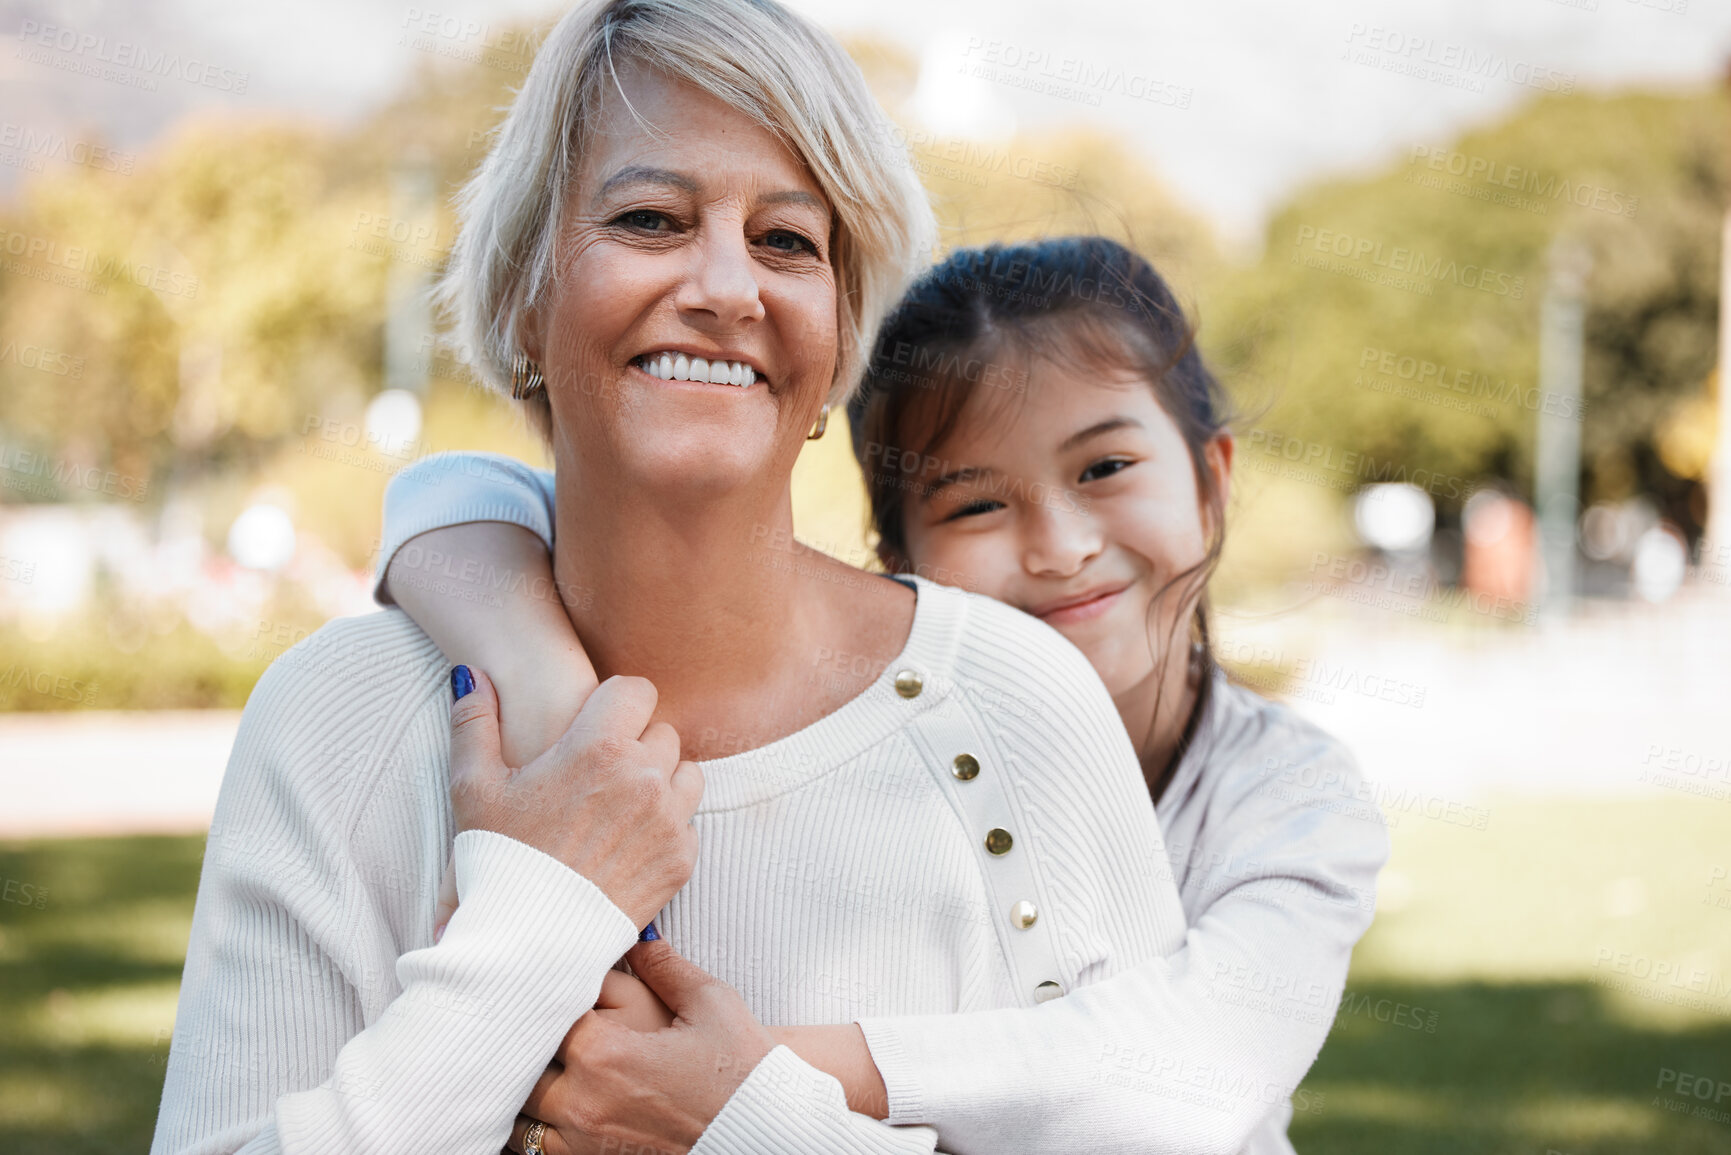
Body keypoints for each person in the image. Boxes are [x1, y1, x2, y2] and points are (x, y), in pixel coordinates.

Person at [150, 3, 1191, 1153]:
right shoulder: (336, 720)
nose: (727, 286)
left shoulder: (1018, 704)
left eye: (788, 240)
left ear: (841, 334)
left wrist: (749, 1130)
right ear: (523, 295)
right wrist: (542, 913)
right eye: (650, 219)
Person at [375, 237, 1390, 1154]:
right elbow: (451, 493)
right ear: (894, 565)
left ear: (1212, 479)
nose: (1062, 547)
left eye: (1108, 467)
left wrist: (740, 1076)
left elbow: (1192, 1077)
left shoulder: (1290, 797)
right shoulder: (897, 735)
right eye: (979, 502)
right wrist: (541, 675)